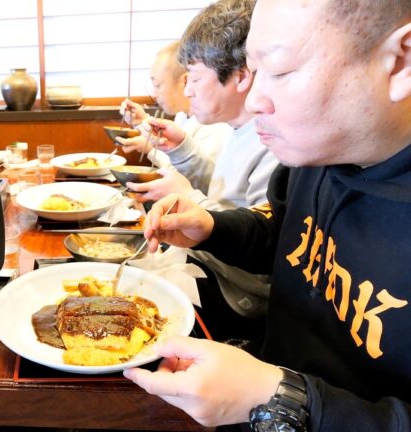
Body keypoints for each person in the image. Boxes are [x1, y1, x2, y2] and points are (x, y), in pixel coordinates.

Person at [129, 0, 411, 430]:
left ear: (401, 61)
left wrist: (280, 398)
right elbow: (283, 237)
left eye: (279, 71)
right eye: (254, 72)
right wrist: (211, 227)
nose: (255, 98)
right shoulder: (312, 160)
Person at [130, 0, 278, 341]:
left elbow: (264, 267)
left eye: (194, 77)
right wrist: (182, 150)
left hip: (239, 295)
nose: (188, 90)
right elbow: (222, 193)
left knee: (134, 308)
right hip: (210, 262)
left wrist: (188, 197)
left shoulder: (274, 143)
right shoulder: (236, 130)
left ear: (241, 76)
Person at [119, 41, 232, 194]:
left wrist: (150, 148)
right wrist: (142, 121)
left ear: (186, 81)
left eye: (158, 85)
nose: (153, 93)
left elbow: (198, 184)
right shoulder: (182, 115)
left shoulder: (215, 126)